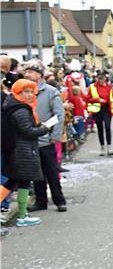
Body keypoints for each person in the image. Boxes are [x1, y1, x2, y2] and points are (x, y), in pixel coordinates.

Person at [1, 79, 51, 226]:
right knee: (21, 182)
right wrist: (45, 128)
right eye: (25, 92)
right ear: (18, 92)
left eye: (31, 91)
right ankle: (22, 217)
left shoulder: (13, 105)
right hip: (22, 152)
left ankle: (22, 215)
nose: (30, 95)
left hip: (18, 150)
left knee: (14, 182)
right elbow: (28, 132)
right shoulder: (21, 109)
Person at [21, 61, 66, 214]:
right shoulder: (22, 91)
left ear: (40, 75)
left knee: (51, 171)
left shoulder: (50, 91)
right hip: (29, 139)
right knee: (36, 172)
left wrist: (55, 134)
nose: (28, 74)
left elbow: (59, 114)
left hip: (45, 138)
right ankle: (41, 201)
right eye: (26, 71)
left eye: (31, 72)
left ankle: (59, 200)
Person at [88, 71, 113, 156]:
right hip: (97, 110)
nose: (101, 80)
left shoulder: (110, 87)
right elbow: (88, 99)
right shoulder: (92, 87)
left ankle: (109, 147)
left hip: (107, 109)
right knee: (100, 128)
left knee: (108, 127)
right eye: (100, 78)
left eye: (103, 78)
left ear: (105, 78)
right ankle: (102, 147)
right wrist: (97, 100)